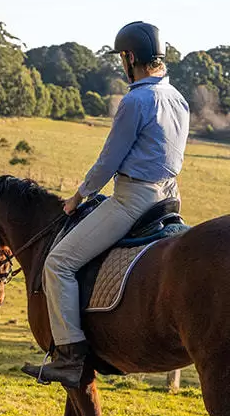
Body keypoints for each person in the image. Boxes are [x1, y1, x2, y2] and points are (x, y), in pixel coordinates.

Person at [23, 21, 190, 387]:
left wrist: (78, 196)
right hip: (170, 198)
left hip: (134, 199)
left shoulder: (135, 100)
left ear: (130, 58)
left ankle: (70, 355)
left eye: (122, 59)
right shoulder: (178, 98)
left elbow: (108, 161)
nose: (121, 64)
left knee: (59, 263)